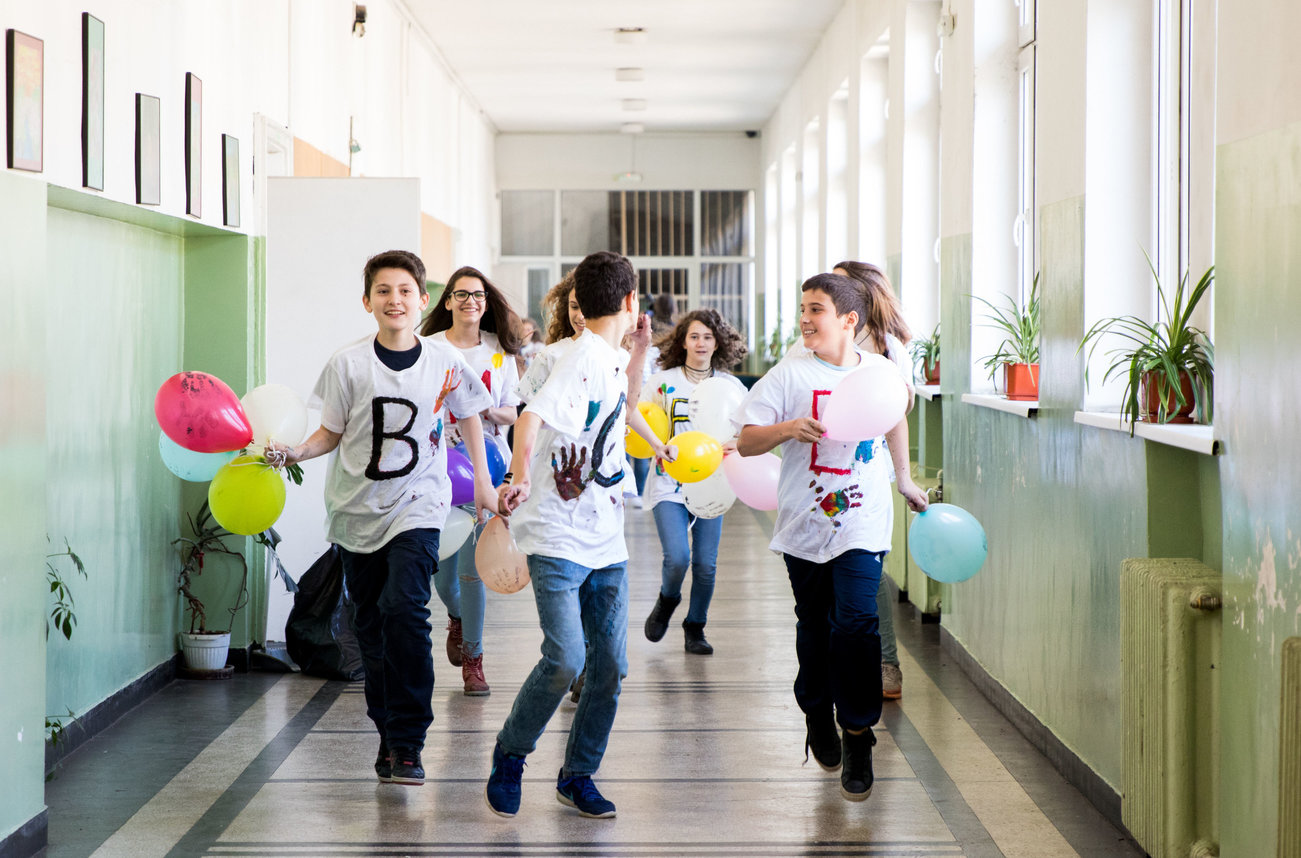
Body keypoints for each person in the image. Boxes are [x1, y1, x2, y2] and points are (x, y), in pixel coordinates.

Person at [266, 249, 497, 787]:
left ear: (423, 300)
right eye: (384, 291)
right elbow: (332, 432)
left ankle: (410, 742)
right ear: (367, 301)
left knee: (405, 609)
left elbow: (469, 413)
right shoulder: (347, 364)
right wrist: (295, 452)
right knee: (369, 625)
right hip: (356, 511)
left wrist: (484, 483)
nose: (395, 300)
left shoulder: (443, 361)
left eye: (405, 291)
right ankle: (388, 732)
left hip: (420, 503)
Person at [484, 251, 673, 820]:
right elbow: (531, 416)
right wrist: (518, 475)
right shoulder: (576, 356)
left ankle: (578, 775)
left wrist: (638, 351)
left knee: (609, 666)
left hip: (606, 537)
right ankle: (511, 752)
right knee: (566, 657)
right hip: (558, 535)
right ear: (630, 301)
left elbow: (624, 404)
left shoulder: (608, 356)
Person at [735, 272, 928, 803]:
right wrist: (788, 429)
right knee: (815, 623)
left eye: (815, 309)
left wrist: (905, 479)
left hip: (864, 521)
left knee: (858, 622)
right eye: (803, 309)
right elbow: (746, 441)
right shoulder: (789, 374)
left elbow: (893, 418)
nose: (804, 319)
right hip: (805, 522)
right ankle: (817, 710)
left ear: (848, 320)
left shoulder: (879, 370)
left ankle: (859, 731)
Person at [419, 266, 522, 696]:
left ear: (486, 302)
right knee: (444, 579)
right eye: (461, 295)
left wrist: (481, 411)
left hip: (487, 467)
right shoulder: (429, 348)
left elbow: (512, 412)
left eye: (477, 295)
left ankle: (474, 661)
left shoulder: (499, 351)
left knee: (471, 570)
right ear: (447, 302)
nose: (470, 302)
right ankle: (457, 618)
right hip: (437, 468)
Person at [641, 308, 748, 655]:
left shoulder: (730, 387)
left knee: (705, 565)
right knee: (677, 557)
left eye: (708, 337)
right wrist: (655, 445)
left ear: (718, 343)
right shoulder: (662, 382)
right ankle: (667, 599)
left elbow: (748, 427)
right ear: (683, 342)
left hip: (713, 481)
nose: (701, 343)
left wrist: (737, 442)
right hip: (668, 479)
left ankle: (695, 626)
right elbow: (640, 420)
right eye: (694, 336)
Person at [833, 259, 916, 701]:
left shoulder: (889, 349)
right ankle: (836, 658)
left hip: (867, 474)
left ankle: (886, 662)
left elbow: (899, 413)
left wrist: (904, 478)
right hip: (822, 475)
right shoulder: (820, 339)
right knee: (828, 568)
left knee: (869, 565)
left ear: (864, 293)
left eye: (840, 283)